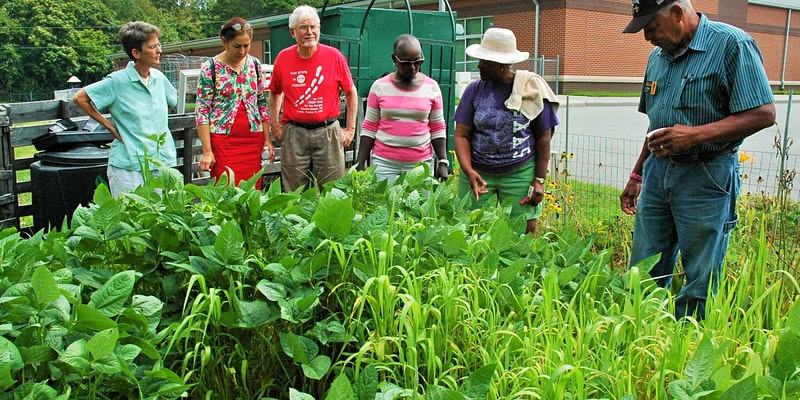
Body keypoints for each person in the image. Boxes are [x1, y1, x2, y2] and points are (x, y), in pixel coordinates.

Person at [619, 0, 775, 319]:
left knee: (701, 270)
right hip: (657, 171)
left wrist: (694, 135)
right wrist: (637, 175)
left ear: (677, 13)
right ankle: (643, 327)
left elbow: (763, 114)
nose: (647, 37)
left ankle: (690, 334)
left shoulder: (732, 44)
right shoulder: (657, 58)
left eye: (652, 28)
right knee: (645, 262)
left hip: (707, 173)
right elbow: (656, 125)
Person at [454, 28, 559, 235]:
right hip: (477, 174)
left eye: (485, 61)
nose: (479, 65)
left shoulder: (531, 90)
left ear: (501, 65)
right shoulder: (474, 90)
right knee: (470, 230)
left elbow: (544, 137)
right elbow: (461, 135)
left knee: (523, 232)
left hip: (519, 173)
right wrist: (468, 170)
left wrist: (539, 180)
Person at [73, 21, 177, 198]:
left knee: (161, 212)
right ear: (136, 53)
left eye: (159, 45)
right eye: (153, 47)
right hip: (129, 166)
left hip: (161, 162)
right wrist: (110, 127)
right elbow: (80, 98)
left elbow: (173, 100)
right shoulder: (117, 81)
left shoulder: (159, 78)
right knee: (129, 213)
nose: (159, 50)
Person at [268, 5, 358, 192]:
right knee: (293, 193)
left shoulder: (334, 56)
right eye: (303, 27)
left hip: (328, 133)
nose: (309, 32)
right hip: (294, 134)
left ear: (319, 29)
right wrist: (275, 126)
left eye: (313, 27)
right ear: (293, 32)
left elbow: (351, 92)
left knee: (333, 192)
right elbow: (275, 92)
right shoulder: (283, 58)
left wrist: (350, 129)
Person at [355, 34, 448, 183]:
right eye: (406, 63)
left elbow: (437, 127)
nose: (412, 67)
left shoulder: (432, 87)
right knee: (383, 198)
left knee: (419, 199)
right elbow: (370, 127)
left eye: (418, 62)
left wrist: (443, 160)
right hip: (384, 163)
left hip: (420, 164)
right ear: (394, 59)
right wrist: (360, 162)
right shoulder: (379, 87)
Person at [195, 17, 274, 189]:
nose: (242, 51)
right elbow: (202, 111)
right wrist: (207, 151)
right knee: (225, 189)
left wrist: (267, 140)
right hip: (223, 142)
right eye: (237, 46)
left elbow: (261, 103)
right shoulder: (210, 68)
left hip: (253, 141)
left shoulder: (255, 64)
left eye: (247, 45)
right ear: (224, 42)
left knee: (252, 191)